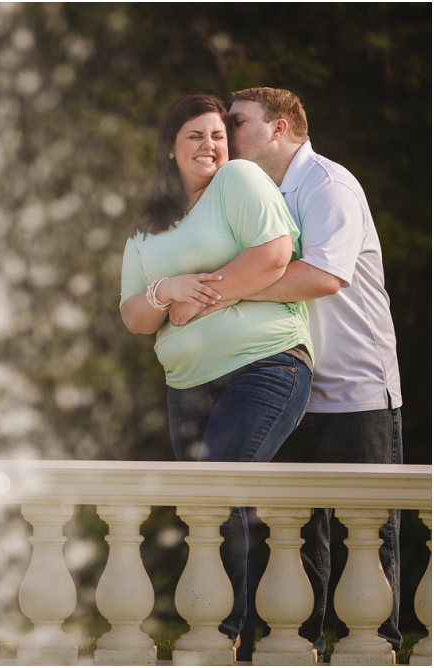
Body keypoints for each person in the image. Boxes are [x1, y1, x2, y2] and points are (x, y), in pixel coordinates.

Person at [119, 94, 314, 662]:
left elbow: (275, 254)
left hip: (264, 365)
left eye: (218, 135)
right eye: (195, 136)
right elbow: (134, 314)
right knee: (206, 508)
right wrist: (164, 291)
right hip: (187, 385)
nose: (211, 145)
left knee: (218, 491)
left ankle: (226, 637)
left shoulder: (239, 181)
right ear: (171, 150)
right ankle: (231, 636)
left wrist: (196, 300)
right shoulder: (147, 225)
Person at [223, 86, 404, 656]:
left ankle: (375, 653)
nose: (226, 134)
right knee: (295, 540)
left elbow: (324, 275)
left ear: (279, 128)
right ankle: (297, 652)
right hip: (293, 389)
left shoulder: (328, 184)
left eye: (238, 122)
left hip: (357, 391)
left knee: (369, 539)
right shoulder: (258, 194)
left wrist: (230, 292)